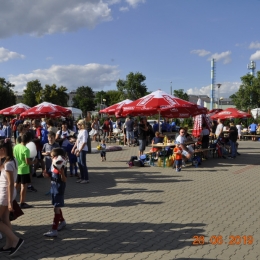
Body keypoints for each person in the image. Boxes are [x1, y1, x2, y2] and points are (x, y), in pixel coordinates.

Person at [0, 139, 24, 256]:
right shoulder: (11, 160)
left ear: (3, 150)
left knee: (2, 220)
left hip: (4, 195)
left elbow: (10, 183)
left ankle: (15, 240)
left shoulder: (8, 163)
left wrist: (9, 202)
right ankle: (9, 244)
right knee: (5, 219)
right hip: (6, 193)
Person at [43, 148, 67, 237]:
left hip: (59, 189)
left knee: (56, 208)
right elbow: (50, 174)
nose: (51, 157)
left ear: (57, 157)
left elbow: (64, 180)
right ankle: (63, 222)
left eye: (52, 156)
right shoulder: (53, 164)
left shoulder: (62, 165)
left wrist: (62, 173)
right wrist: (46, 175)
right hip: (53, 188)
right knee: (55, 206)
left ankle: (54, 229)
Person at [13, 132, 36, 209]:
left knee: (15, 185)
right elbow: (27, 162)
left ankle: (12, 200)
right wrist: (33, 162)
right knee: (24, 186)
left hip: (17, 168)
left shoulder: (16, 147)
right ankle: (22, 203)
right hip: (24, 170)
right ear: (29, 141)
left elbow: (14, 156)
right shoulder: (26, 149)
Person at [72, 120, 89, 184]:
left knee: (83, 164)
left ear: (81, 125)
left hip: (83, 149)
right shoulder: (79, 131)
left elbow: (84, 142)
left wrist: (79, 150)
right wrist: (74, 148)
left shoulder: (84, 131)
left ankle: (86, 178)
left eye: (78, 124)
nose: (77, 125)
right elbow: (77, 140)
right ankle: (82, 177)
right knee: (79, 164)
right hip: (79, 149)